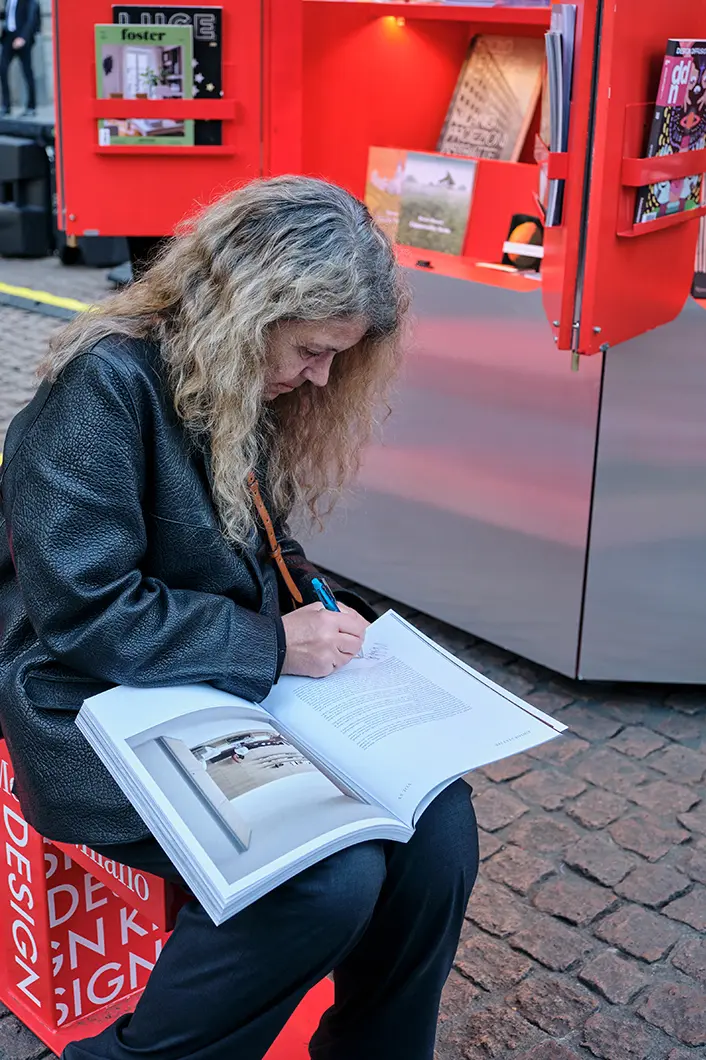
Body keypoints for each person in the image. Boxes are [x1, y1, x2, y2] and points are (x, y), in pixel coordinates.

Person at [0, 176, 479, 1060]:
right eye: (309, 349)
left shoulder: (233, 374)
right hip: (93, 704)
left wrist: (319, 609)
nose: (321, 377)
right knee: (319, 881)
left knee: (438, 824)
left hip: (213, 690)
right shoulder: (100, 386)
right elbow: (83, 610)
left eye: (337, 354)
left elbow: (259, 541)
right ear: (247, 309)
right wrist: (271, 643)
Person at [0, 0, 39, 117]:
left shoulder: (28, 1)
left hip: (22, 38)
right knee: (2, 68)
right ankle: (6, 106)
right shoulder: (8, 1)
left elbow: (31, 19)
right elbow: (9, 15)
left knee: (27, 72)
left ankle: (31, 107)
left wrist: (23, 38)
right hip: (8, 38)